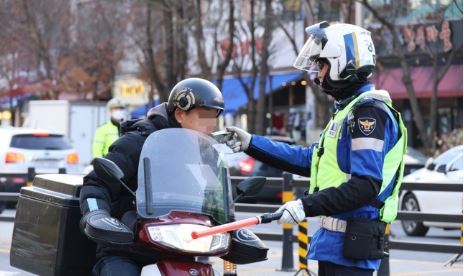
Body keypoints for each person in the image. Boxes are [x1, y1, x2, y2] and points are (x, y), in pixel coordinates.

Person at [223, 21, 407, 275]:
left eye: (321, 65)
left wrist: (303, 205)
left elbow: (366, 185)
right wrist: (251, 143)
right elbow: (312, 160)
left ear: (343, 63)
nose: (317, 74)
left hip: (350, 249)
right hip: (337, 245)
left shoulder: (368, 115)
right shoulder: (348, 111)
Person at [80, 78, 225, 276]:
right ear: (180, 114)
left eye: (214, 117)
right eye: (204, 116)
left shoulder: (203, 154)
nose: (212, 124)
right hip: (128, 248)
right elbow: (95, 183)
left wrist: (229, 221)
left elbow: (214, 198)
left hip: (180, 250)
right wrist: (96, 214)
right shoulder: (136, 143)